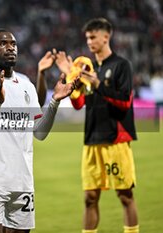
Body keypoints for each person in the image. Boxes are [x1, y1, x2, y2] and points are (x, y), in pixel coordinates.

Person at [0, 28, 76, 233]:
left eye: (13, 44)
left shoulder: (26, 85)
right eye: (3, 44)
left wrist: (54, 102)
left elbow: (39, 133)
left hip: (22, 181)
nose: (10, 48)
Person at [64, 18, 139, 233]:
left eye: (93, 37)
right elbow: (78, 104)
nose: (89, 42)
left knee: (125, 195)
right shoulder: (87, 69)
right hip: (91, 140)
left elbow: (125, 102)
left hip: (116, 139)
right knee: (89, 198)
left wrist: (97, 84)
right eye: (87, 38)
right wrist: (73, 83)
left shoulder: (121, 65)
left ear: (106, 36)